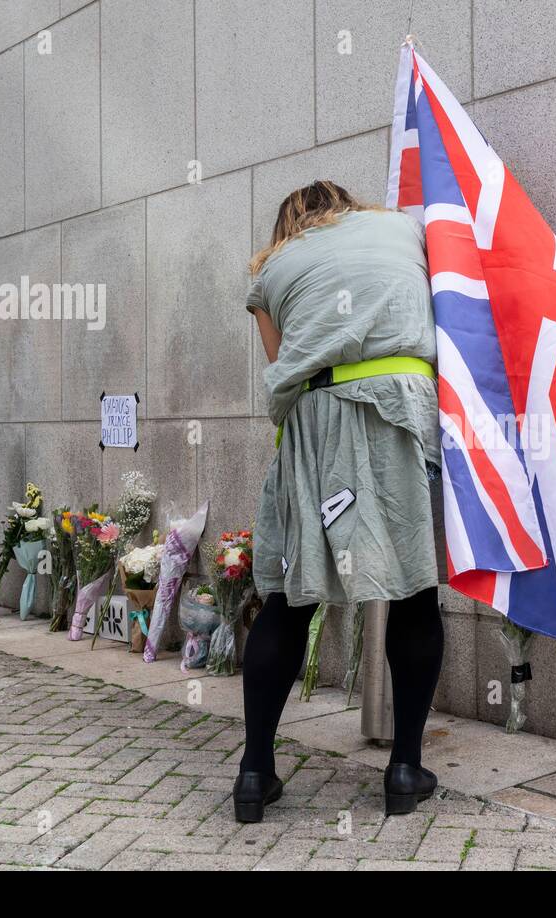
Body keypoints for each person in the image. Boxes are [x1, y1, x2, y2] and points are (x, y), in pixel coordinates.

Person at [235, 180, 445, 820]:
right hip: (403, 408)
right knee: (413, 590)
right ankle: (404, 769)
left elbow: (282, 367)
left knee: (289, 598)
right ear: (348, 206)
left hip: (318, 420)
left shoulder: (271, 268)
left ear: (287, 223)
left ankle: (254, 773)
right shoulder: (408, 232)